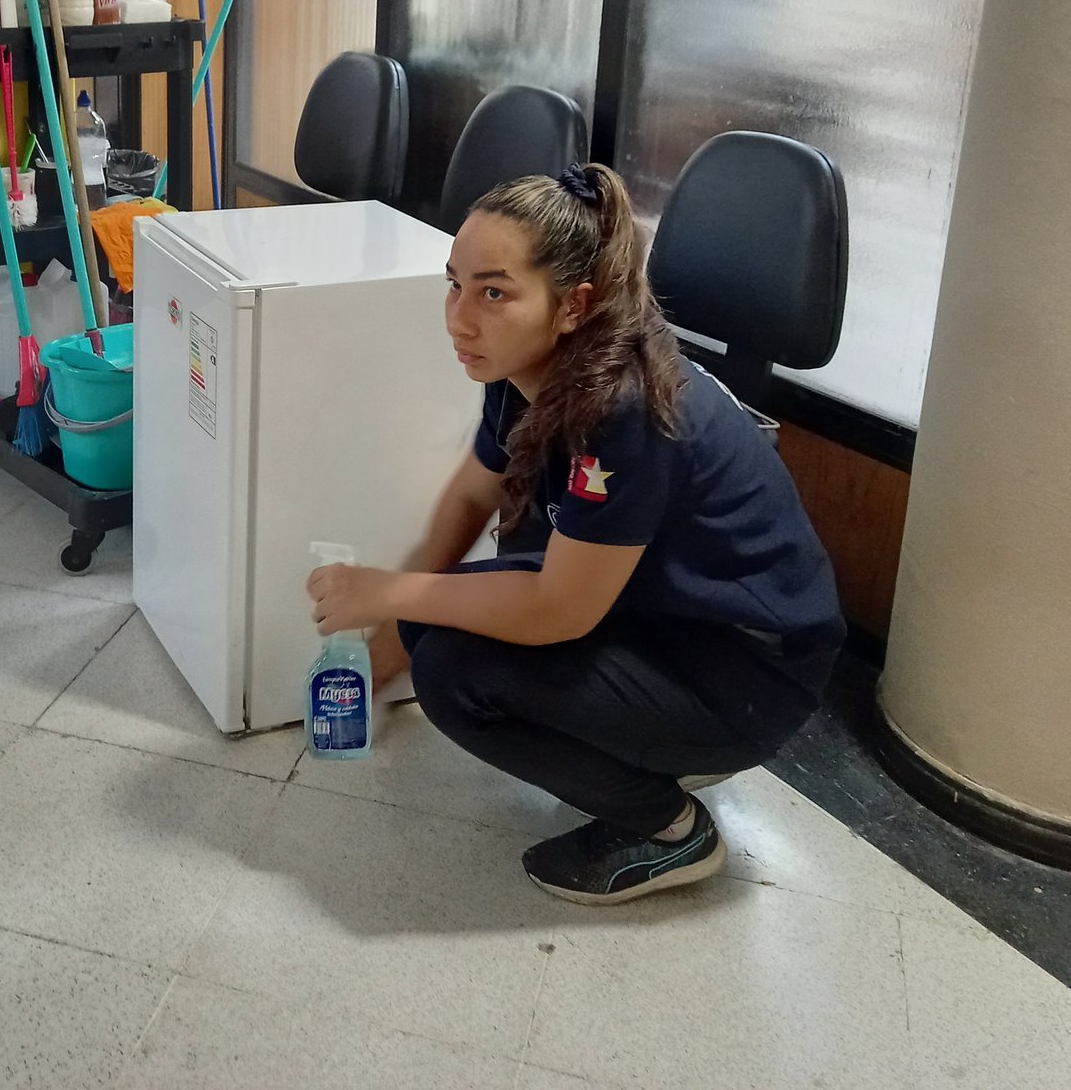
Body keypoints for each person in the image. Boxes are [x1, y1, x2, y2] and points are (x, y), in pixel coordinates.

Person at [306, 164, 845, 905]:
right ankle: (628, 742)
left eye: (493, 292)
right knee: (439, 622)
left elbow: (560, 612)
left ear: (573, 305)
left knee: (459, 675)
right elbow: (472, 492)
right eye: (454, 284)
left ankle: (669, 828)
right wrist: (394, 631)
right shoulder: (524, 364)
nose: (459, 318)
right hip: (665, 613)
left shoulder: (623, 409)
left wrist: (389, 594)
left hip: (745, 671)